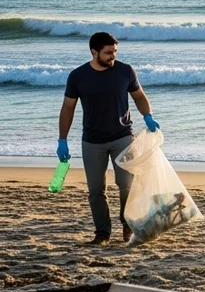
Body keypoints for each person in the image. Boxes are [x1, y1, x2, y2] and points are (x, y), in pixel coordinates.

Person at [57, 32, 161, 246]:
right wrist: (62, 139)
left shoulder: (125, 71)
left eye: (115, 51)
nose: (112, 56)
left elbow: (139, 96)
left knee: (127, 184)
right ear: (94, 52)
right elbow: (68, 108)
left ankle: (127, 223)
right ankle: (102, 234)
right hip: (92, 141)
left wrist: (147, 116)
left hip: (123, 137)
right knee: (96, 190)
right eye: (108, 52)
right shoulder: (78, 76)